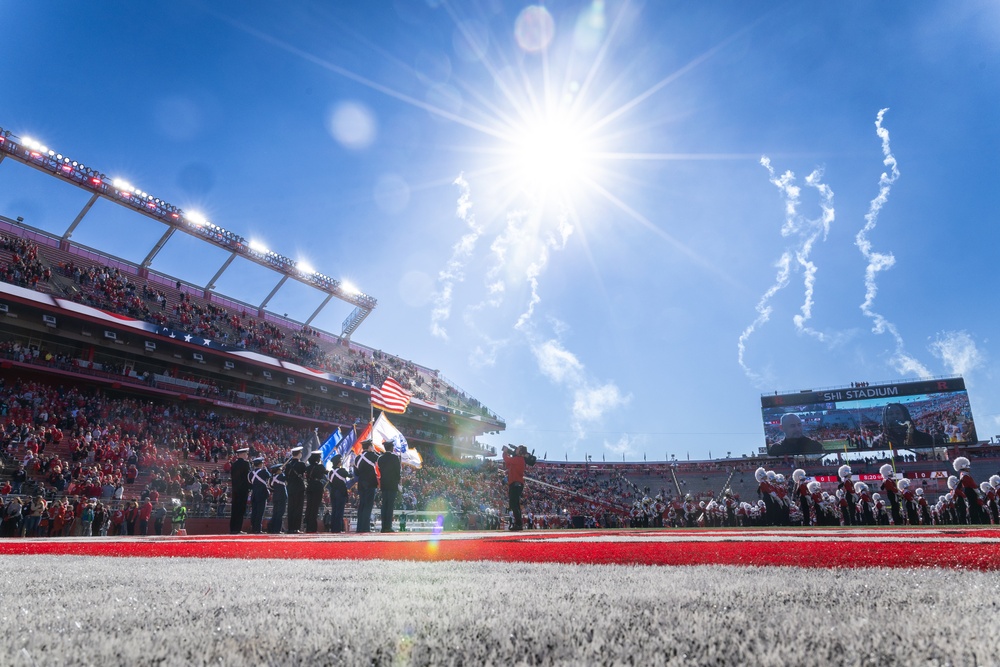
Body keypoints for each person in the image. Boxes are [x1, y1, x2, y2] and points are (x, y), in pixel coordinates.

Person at [502, 444, 536, 531]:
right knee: (515, 504)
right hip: (516, 484)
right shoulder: (519, 459)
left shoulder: (518, 459)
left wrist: (505, 452)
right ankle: (518, 523)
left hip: (515, 484)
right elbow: (508, 464)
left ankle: (518, 523)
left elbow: (507, 460)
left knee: (513, 504)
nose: (516, 450)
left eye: (518, 449)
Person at [354, 440, 379, 533]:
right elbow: (380, 463)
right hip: (371, 484)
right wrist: (375, 452)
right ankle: (365, 528)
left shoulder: (357, 458)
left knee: (362, 506)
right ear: (369, 447)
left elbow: (356, 473)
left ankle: (359, 527)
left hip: (361, 484)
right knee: (368, 506)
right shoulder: (374, 456)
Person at [327, 454, 354, 533]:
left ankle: (333, 528)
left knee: (334, 510)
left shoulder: (330, 472)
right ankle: (338, 528)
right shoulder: (342, 471)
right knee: (339, 511)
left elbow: (330, 484)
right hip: (341, 493)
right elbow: (351, 476)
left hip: (333, 492)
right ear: (339, 463)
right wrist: (351, 468)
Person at [377, 443, 401, 533]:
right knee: (390, 506)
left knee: (384, 506)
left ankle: (384, 527)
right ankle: (388, 526)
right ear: (391, 448)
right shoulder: (395, 458)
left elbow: (379, 470)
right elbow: (398, 472)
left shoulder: (380, 458)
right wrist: (397, 481)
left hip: (384, 484)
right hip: (392, 484)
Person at [284, 446, 307, 533]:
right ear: (299, 454)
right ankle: (296, 528)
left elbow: (286, 477)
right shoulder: (301, 464)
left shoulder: (288, 465)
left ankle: (290, 527)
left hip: (290, 488)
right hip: (299, 488)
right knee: (298, 508)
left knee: (291, 508)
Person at [229, 447, 251, 534]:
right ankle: (237, 529)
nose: (247, 455)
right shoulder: (246, 464)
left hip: (235, 489)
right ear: (242, 454)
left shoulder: (234, 464)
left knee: (234, 509)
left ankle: (233, 528)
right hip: (243, 490)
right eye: (246, 454)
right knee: (241, 510)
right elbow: (248, 477)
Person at [304, 451, 326, 533]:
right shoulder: (320, 467)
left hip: (310, 486)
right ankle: (312, 527)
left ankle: (307, 525)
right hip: (317, 487)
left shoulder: (308, 467)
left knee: (309, 507)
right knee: (314, 508)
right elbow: (325, 473)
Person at [248, 456, 271, 534]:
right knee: (260, 512)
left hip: (254, 494)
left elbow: (250, 483)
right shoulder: (263, 471)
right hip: (262, 494)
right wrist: (265, 469)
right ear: (261, 464)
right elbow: (269, 476)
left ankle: (253, 527)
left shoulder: (250, 474)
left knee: (254, 512)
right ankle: (258, 529)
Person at [267, 464, 287, 534]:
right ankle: (277, 529)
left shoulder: (272, 478)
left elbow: (271, 487)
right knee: (280, 513)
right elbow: (286, 476)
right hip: (282, 496)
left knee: (275, 513)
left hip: (275, 496)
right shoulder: (282, 476)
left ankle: (273, 528)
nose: (281, 470)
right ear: (278, 470)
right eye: (280, 469)